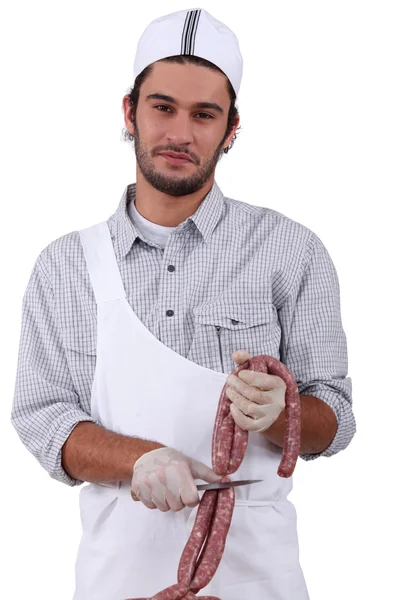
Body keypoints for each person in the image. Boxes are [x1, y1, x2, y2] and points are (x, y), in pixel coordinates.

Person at [11, 7, 356, 600]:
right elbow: (44, 418)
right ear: (130, 110)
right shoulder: (65, 267)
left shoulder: (290, 251)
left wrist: (282, 411)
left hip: (258, 580)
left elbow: (337, 420)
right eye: (162, 107)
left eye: (205, 114)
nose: (180, 133)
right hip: (116, 579)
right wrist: (139, 458)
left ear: (232, 128)